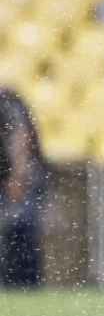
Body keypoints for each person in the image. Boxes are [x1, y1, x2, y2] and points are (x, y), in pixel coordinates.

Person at [0, 88, 46, 287]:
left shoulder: (6, 99)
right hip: (7, 176)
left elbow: (21, 134)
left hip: (25, 176)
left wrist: (17, 175)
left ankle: (24, 284)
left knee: (19, 227)